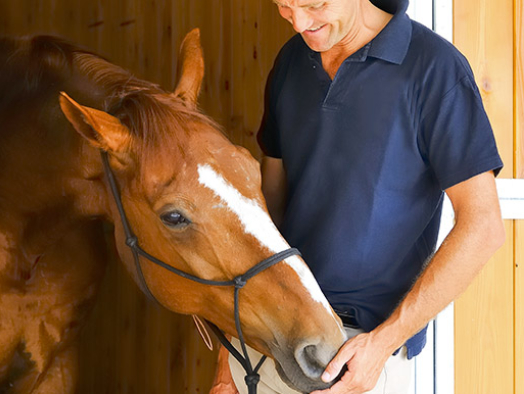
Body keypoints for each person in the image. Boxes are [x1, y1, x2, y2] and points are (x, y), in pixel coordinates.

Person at [210, 0, 506, 393]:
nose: (299, 22)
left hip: (355, 357)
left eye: (314, 4)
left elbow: (483, 226)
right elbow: (266, 216)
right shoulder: (291, 61)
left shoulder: (435, 68)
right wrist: (228, 354)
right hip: (264, 340)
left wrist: (382, 343)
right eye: (284, 7)